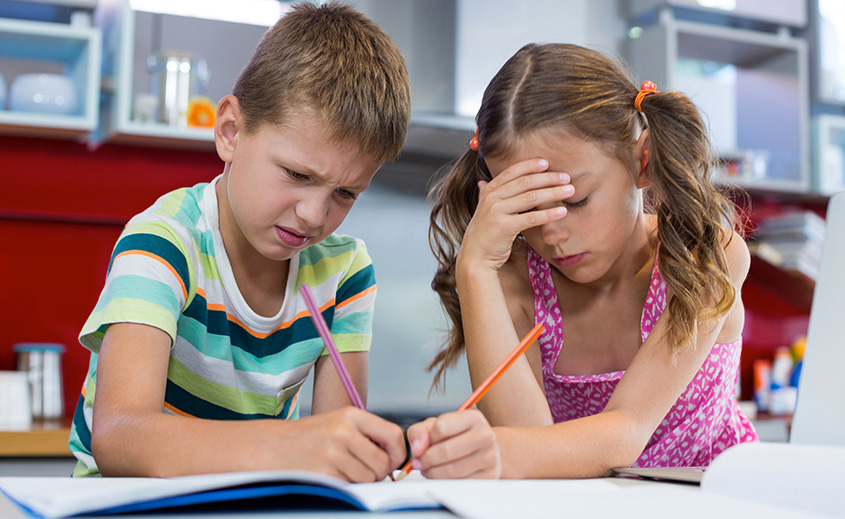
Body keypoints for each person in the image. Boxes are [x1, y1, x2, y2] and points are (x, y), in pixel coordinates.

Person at [68, 2, 412, 482]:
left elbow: (339, 448)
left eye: (345, 193)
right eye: (296, 174)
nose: (315, 214)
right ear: (231, 131)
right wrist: (292, 445)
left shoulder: (345, 272)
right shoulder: (165, 242)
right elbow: (120, 437)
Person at [407, 43, 757, 479]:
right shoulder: (514, 280)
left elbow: (627, 432)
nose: (551, 234)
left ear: (641, 161)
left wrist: (496, 449)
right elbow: (530, 446)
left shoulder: (704, 255)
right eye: (527, 210)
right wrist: (474, 268)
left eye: (575, 200)